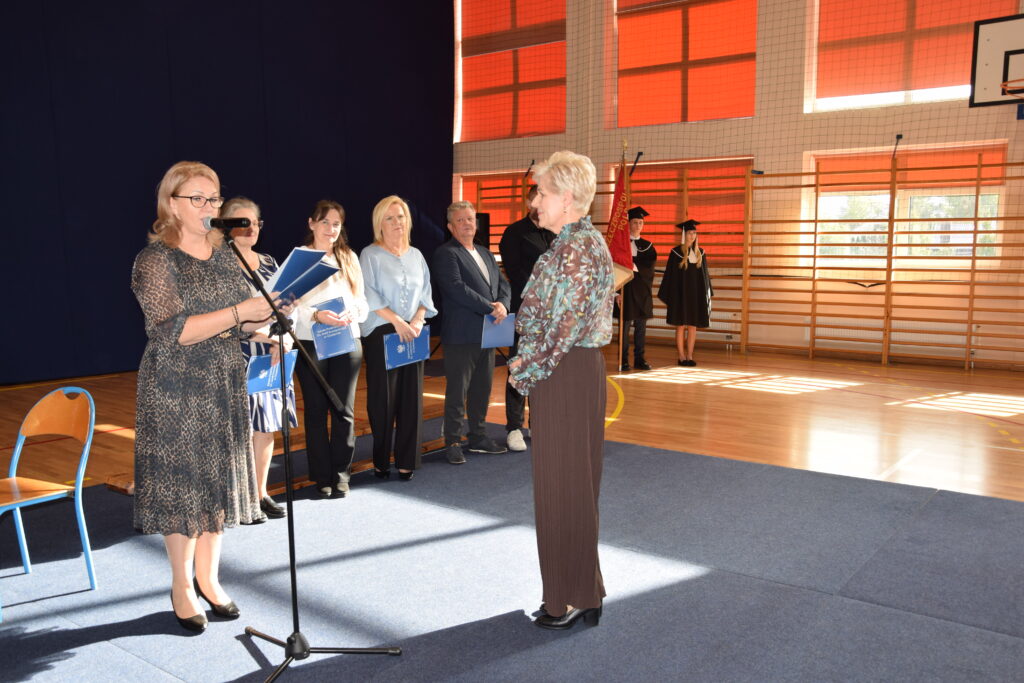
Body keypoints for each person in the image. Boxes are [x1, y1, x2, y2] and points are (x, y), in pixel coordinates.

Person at [131, 161, 284, 633]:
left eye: (213, 198)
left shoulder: (225, 254)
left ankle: (209, 578)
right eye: (196, 198)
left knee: (217, 483)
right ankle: (181, 585)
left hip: (223, 380)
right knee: (183, 489)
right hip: (175, 387)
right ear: (171, 204)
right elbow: (172, 330)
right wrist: (240, 312)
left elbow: (239, 321)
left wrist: (268, 319)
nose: (208, 206)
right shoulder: (154, 260)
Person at [507, 151, 614, 631]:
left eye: (543, 192)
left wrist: (522, 371)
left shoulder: (575, 248)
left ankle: (566, 598)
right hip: (571, 371)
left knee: (561, 487)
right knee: (575, 485)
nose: (535, 201)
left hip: (562, 372)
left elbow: (561, 329)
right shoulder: (578, 242)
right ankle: (582, 590)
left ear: (567, 199)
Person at [222, 197, 298, 521]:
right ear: (226, 227)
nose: (252, 228)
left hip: (270, 355)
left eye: (256, 222)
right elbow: (224, 318)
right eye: (244, 223)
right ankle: (237, 498)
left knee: (266, 426)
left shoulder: (268, 262)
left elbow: (284, 305)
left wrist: (283, 335)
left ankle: (260, 493)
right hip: (235, 355)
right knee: (238, 430)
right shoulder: (218, 265)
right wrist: (263, 335)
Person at [293, 200, 369, 498]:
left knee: (343, 410)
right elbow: (289, 305)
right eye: (325, 222)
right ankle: (321, 476)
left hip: (345, 341)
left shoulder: (349, 257)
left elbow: (362, 303)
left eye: (336, 223)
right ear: (311, 223)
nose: (330, 228)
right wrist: (316, 315)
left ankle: (341, 474)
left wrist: (353, 313)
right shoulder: (300, 259)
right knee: (315, 411)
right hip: (310, 342)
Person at [359, 195, 437, 480]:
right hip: (383, 331)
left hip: (414, 331)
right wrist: (397, 321)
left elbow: (426, 292)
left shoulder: (417, 255)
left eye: (400, 216)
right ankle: (381, 460)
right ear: (379, 223)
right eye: (389, 218)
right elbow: (368, 293)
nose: (396, 222)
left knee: (411, 399)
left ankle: (407, 461)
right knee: (384, 400)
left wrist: (417, 320)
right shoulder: (370, 255)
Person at [433, 201, 512, 464]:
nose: (467, 224)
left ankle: (478, 436)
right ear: (450, 226)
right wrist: (491, 307)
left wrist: (503, 305)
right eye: (460, 220)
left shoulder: (486, 253)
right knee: (458, 391)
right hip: (462, 334)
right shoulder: (446, 254)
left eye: (470, 219)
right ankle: (453, 441)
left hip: (489, 332)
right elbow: (456, 289)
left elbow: (503, 285)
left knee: (482, 389)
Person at [498, 184, 554, 452]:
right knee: (520, 366)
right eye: (537, 200)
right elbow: (515, 272)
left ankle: (538, 422)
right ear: (528, 202)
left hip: (550, 314)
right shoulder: (514, 232)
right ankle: (514, 427)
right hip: (526, 311)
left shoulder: (554, 232)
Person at [657, 219, 713, 367]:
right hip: (680, 296)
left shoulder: (701, 253)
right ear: (684, 234)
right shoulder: (676, 253)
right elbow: (670, 276)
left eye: (694, 233)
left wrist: (706, 295)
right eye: (689, 233)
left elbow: (705, 277)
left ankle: (690, 355)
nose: (692, 235)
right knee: (681, 326)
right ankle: (681, 356)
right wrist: (673, 297)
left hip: (695, 296)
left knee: (693, 326)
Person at [616, 206, 657, 371]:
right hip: (625, 291)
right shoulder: (620, 245)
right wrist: (616, 293)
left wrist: (631, 264)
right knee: (624, 328)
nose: (638, 225)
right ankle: (623, 359)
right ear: (628, 224)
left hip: (642, 292)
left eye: (641, 223)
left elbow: (649, 267)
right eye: (635, 222)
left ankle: (640, 359)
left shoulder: (648, 246)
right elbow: (614, 269)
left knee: (641, 327)